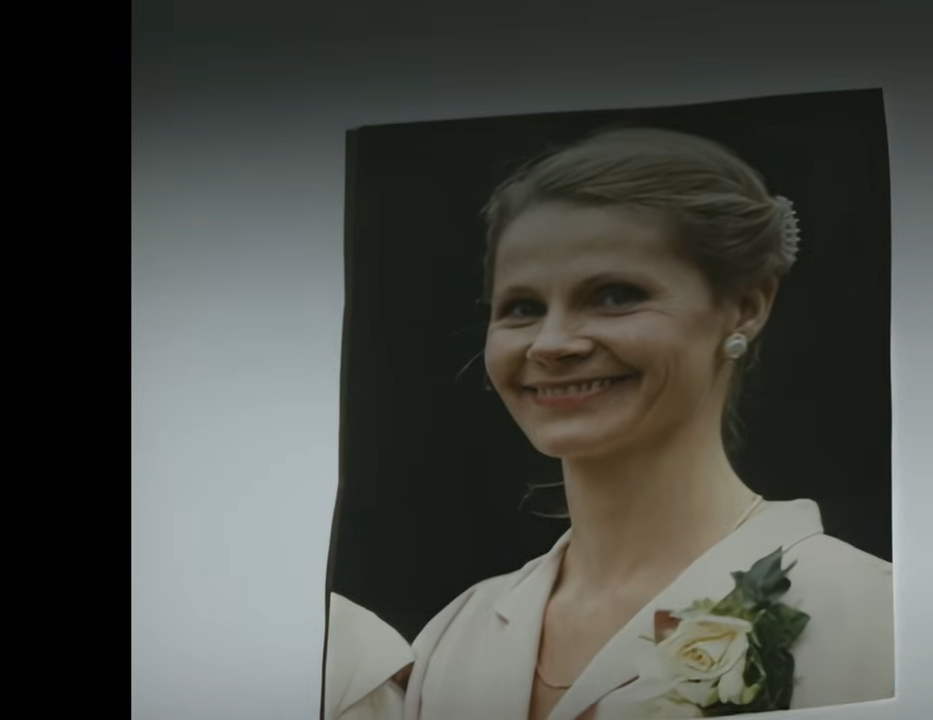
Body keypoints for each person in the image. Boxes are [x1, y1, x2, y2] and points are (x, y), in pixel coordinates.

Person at [330, 127, 894, 720]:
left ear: (747, 306)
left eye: (614, 295)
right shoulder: (456, 637)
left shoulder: (870, 618)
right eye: (522, 308)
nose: (551, 343)